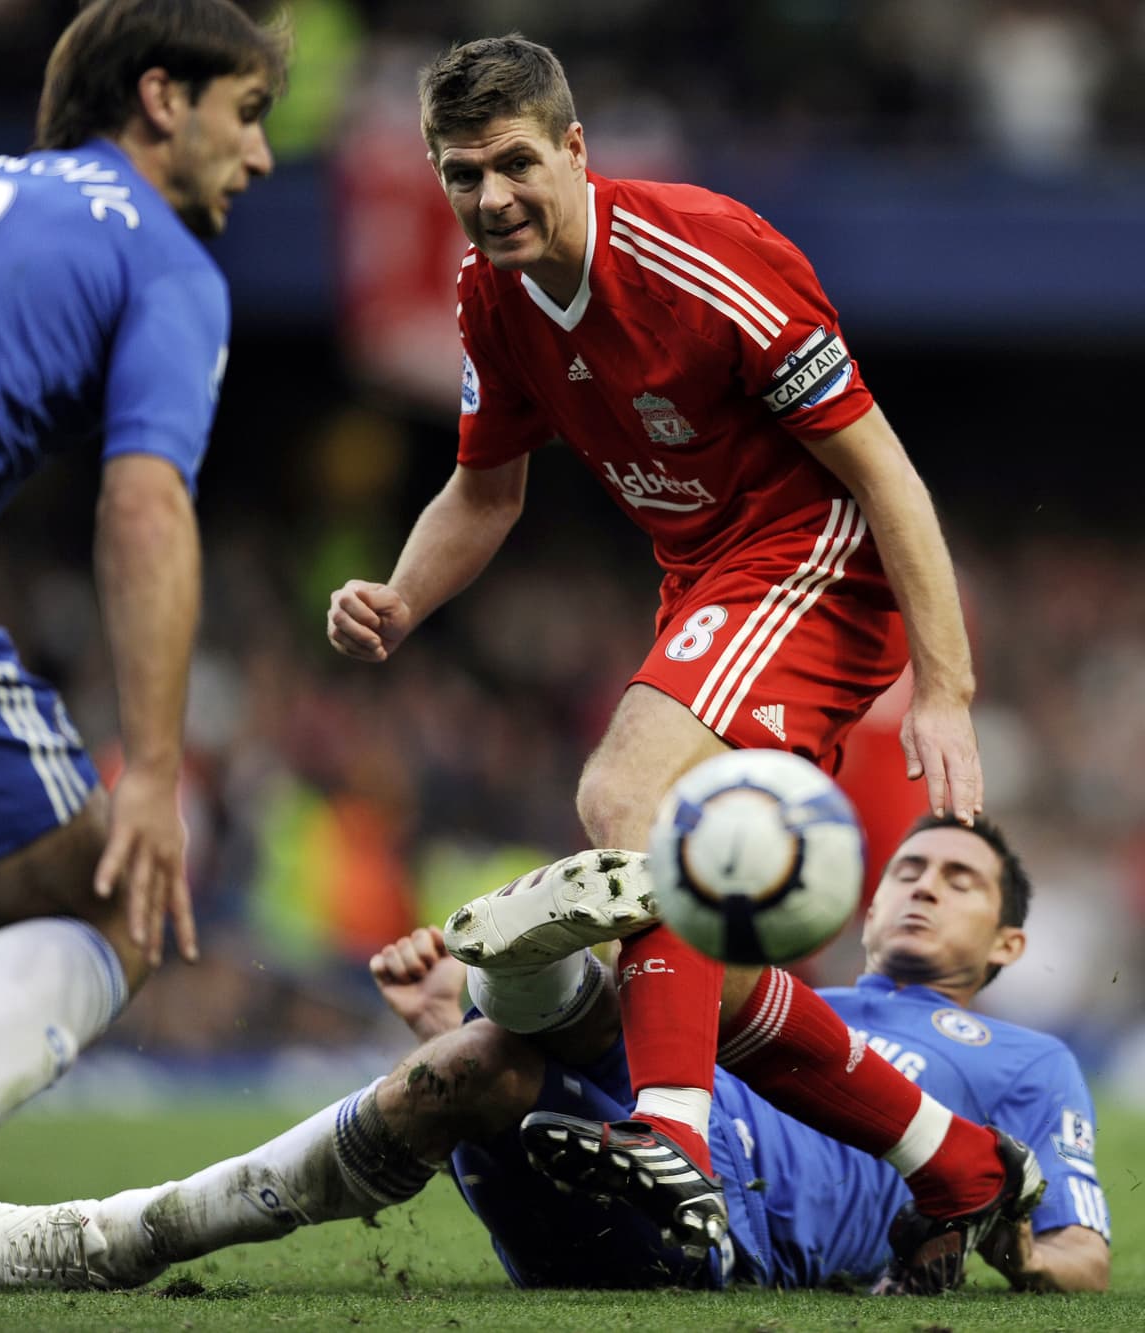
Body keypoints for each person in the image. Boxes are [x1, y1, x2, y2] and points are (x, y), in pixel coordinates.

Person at [325, 33, 1021, 1260]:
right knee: (693, 941)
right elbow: (483, 494)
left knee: (621, 795)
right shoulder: (491, 293)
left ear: (576, 150)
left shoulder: (706, 256)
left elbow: (886, 474)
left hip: (816, 558)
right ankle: (958, 1163)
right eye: (459, 175)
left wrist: (946, 687)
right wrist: (400, 595)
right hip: (706, 578)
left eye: (513, 164)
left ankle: (675, 1142)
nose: (488, 199)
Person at [0, 816, 1108, 1295]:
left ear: (1006, 940)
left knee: (673, 914)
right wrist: (442, 1006)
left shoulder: (1025, 1059)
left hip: (732, 1234)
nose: (920, 887)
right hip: (643, 1130)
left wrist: (1009, 1247)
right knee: (474, 1059)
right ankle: (118, 1237)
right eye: (907, 868)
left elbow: (1080, 1261)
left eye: (955, 880)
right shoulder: (803, 998)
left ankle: (557, 1004)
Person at [0, 3, 287, 1330]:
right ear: (160, 99)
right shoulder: (162, 256)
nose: (263, 156)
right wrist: (154, 771)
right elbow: (145, 502)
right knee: (116, 899)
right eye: (250, 112)